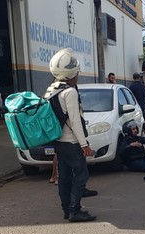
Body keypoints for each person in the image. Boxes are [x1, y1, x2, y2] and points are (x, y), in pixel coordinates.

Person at [45, 48, 96, 222]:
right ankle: (75, 210)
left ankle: (67, 209)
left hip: (59, 141)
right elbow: (75, 121)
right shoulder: (70, 92)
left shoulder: (52, 89)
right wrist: (84, 145)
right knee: (81, 175)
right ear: (71, 73)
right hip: (71, 142)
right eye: (76, 72)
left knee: (65, 177)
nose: (78, 75)